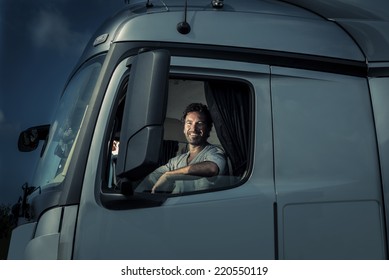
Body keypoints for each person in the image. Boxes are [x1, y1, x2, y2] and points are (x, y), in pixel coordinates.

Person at [136, 103, 228, 194]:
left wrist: (169, 176)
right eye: (189, 123)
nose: (193, 128)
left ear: (208, 128)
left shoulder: (215, 152)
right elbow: (150, 179)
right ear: (184, 128)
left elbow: (212, 168)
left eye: (199, 123)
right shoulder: (175, 162)